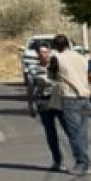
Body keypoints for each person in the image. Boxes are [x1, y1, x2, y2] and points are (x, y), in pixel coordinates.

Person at [47, 33, 91, 175]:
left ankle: (82, 163)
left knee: (74, 133)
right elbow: (90, 75)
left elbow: (51, 76)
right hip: (85, 97)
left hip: (70, 97)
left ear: (56, 46)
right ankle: (85, 161)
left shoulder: (57, 58)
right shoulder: (82, 58)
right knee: (82, 132)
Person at [33, 42, 65, 171]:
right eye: (41, 52)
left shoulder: (57, 66)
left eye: (46, 52)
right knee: (50, 133)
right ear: (38, 55)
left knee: (69, 129)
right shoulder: (34, 69)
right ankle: (57, 161)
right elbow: (31, 88)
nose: (44, 55)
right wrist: (30, 106)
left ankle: (80, 160)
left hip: (58, 99)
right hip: (43, 102)